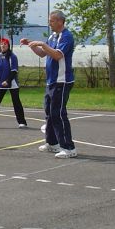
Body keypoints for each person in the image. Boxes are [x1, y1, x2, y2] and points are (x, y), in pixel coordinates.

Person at [21, 10, 77, 158]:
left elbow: (57, 55)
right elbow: (42, 53)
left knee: (58, 113)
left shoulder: (67, 36)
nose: (49, 23)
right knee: (49, 112)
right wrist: (32, 45)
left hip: (62, 81)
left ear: (60, 21)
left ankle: (69, 147)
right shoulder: (53, 36)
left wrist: (42, 44)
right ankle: (52, 143)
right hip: (51, 81)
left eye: (51, 21)